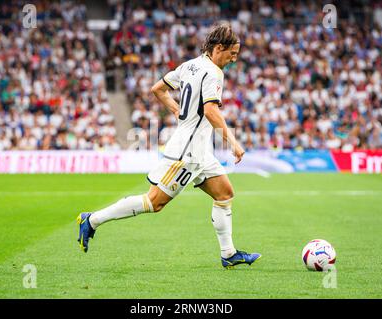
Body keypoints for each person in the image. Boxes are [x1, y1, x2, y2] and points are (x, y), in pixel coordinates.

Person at [77, 24, 261, 268]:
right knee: (155, 203)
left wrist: (176, 110)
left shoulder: (190, 65)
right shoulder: (215, 73)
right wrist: (233, 143)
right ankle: (92, 220)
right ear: (218, 48)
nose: (234, 59)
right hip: (188, 152)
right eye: (232, 54)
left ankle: (228, 254)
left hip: (200, 150)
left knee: (224, 194)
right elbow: (211, 111)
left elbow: (158, 89)